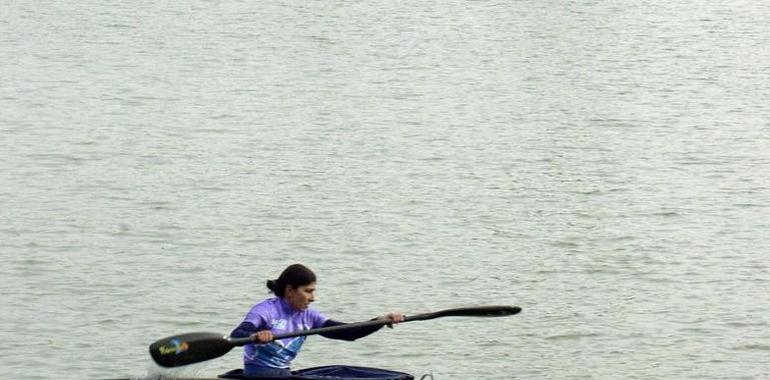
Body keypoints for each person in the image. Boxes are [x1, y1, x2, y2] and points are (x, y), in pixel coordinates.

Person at [230, 264, 404, 378]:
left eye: (313, 292)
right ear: (289, 290)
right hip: (258, 374)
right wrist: (256, 335)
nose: (313, 298)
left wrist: (379, 321)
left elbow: (348, 333)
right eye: (308, 291)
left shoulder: (310, 316)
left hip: (284, 374)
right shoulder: (265, 310)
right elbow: (238, 334)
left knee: (343, 370)